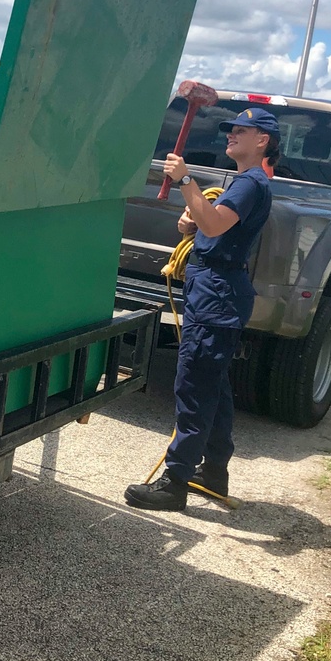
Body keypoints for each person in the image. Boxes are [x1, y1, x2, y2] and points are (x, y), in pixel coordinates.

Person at [125, 107, 280, 511]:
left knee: (194, 386)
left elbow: (214, 226)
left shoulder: (250, 183)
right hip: (213, 288)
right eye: (230, 130)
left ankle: (175, 482)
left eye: (240, 131)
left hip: (217, 293)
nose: (230, 135)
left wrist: (186, 180)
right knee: (215, 386)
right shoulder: (246, 182)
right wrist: (192, 221)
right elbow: (211, 224)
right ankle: (212, 473)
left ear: (262, 140)